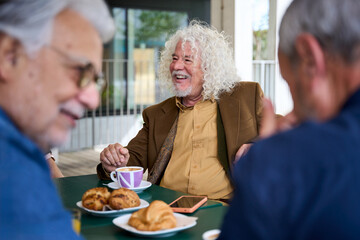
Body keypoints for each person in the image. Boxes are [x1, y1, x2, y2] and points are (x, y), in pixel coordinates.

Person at [219, 0, 360, 238]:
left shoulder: (282, 164)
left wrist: (269, 159)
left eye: (290, 83)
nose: (296, 112)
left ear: (309, 58)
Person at [97, 20, 264, 201]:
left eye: (187, 60)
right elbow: (131, 160)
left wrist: (258, 146)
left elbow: (283, 132)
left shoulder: (245, 96)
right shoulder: (156, 114)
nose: (176, 66)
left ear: (209, 67)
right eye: (174, 58)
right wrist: (113, 162)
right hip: (167, 207)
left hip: (223, 207)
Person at [0, 0, 115, 239]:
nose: (93, 99)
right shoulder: (12, 169)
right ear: (10, 56)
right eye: (81, 71)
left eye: (96, 80)